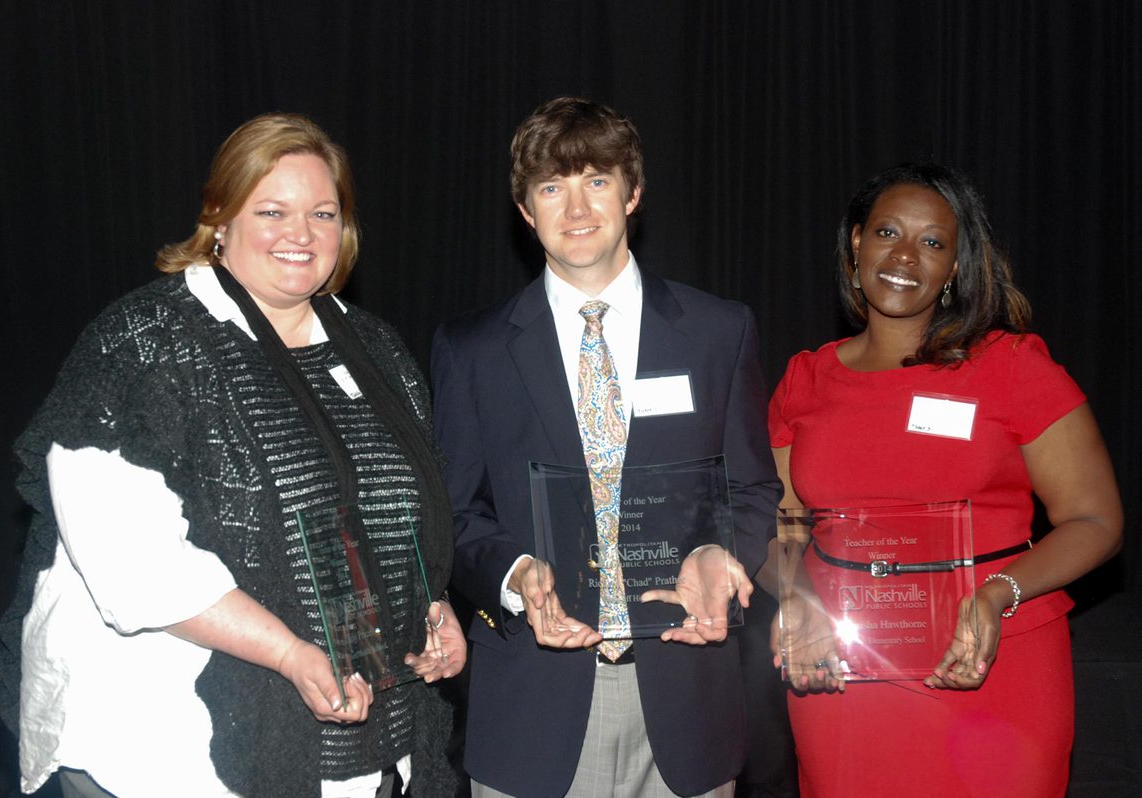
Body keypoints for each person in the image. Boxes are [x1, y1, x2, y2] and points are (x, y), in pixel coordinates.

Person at [0, 113, 466, 798]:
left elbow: (397, 514)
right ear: (219, 219)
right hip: (165, 748)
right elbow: (131, 566)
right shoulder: (143, 342)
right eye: (272, 210)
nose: (300, 234)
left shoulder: (377, 351)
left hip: (357, 742)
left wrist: (429, 606)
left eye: (323, 213)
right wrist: (290, 652)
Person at [431, 97, 781, 798]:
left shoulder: (718, 333)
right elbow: (455, 513)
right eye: (552, 186)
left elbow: (753, 489)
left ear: (634, 192)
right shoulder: (472, 350)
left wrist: (722, 552)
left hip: (686, 698)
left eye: (597, 179)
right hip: (535, 704)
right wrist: (517, 574)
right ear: (526, 211)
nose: (577, 205)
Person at [767, 162, 1123, 796]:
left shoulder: (1014, 368)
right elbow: (779, 524)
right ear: (856, 243)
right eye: (887, 233)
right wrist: (797, 599)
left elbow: (1096, 521)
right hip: (843, 672)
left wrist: (997, 592)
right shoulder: (806, 380)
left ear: (957, 264)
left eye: (933, 242)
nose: (906, 256)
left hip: (992, 665)